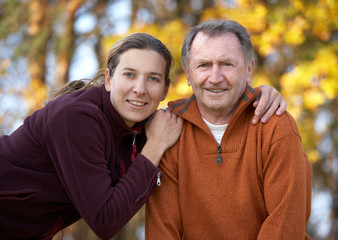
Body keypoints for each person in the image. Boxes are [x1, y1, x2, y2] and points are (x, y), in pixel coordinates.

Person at [0, 32, 286, 239]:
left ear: (164, 90)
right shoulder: (77, 118)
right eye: (129, 75)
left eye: (153, 78)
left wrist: (257, 95)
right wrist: (157, 146)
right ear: (109, 79)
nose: (140, 88)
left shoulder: (144, 124)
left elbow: (208, 102)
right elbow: (104, 221)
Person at [145, 20, 312, 239]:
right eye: (203, 65)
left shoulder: (275, 126)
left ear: (248, 69)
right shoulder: (169, 133)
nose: (215, 78)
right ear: (188, 73)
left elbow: (285, 226)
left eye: (226, 64)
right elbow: (162, 231)